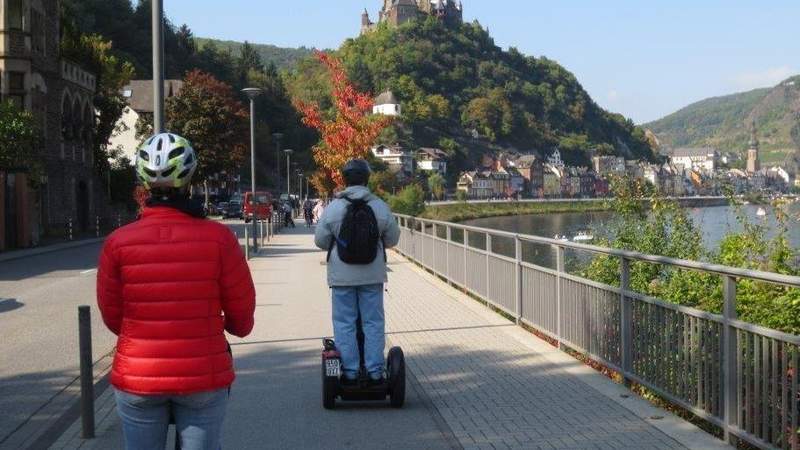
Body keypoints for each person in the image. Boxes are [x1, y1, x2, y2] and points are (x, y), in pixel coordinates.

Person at [96, 133, 256, 450]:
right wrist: (225, 328)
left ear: (143, 183)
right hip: (202, 375)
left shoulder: (118, 242)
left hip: (139, 374)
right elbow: (241, 316)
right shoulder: (219, 238)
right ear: (190, 178)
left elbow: (113, 315)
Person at [314, 159, 400, 383]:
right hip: (372, 275)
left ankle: (350, 372)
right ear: (366, 178)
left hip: (341, 277)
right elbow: (392, 238)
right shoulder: (379, 206)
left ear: (345, 180)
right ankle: (375, 371)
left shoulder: (333, 208)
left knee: (344, 322)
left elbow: (321, 241)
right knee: (373, 322)